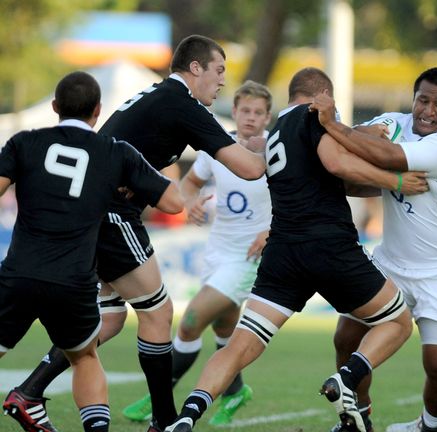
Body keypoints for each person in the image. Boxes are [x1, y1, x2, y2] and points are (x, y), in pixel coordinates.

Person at [4, 34, 268, 432]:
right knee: (158, 312)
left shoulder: (157, 96)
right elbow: (249, 168)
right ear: (195, 68)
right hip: (113, 216)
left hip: (90, 216)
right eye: (218, 71)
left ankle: (29, 391)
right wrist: (281, 148)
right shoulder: (184, 105)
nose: (221, 81)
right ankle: (163, 420)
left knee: (107, 322)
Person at [163, 67, 429, 432]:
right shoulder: (315, 116)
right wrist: (394, 181)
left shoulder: (275, 133)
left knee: (239, 346)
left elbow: (330, 169)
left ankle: (187, 415)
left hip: (283, 253)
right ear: (322, 95)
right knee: (397, 321)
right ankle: (346, 378)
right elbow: (336, 162)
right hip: (328, 246)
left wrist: (363, 134)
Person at [0, 71, 184, 432]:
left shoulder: (24, 143)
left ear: (54, 107)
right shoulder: (115, 152)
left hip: (19, 272)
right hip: (74, 282)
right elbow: (174, 203)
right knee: (84, 358)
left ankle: (29, 398)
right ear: (98, 111)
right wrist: (128, 181)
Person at [314, 67, 437, 432]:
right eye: (423, 100)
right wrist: (357, 136)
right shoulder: (396, 121)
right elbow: (360, 141)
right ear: (413, 98)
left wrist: (332, 124)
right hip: (391, 264)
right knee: (345, 338)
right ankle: (359, 419)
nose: (429, 111)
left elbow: (386, 158)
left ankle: (433, 426)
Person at [121, 80, 274, 426]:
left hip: (248, 256)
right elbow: (188, 185)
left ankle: (159, 396)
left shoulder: (272, 154)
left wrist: (270, 231)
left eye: (258, 112)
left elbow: (295, 198)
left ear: (268, 118)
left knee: (190, 322)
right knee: (223, 326)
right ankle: (235, 391)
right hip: (217, 249)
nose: (250, 117)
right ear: (234, 111)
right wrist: (189, 205)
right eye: (245, 110)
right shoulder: (216, 149)